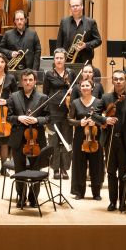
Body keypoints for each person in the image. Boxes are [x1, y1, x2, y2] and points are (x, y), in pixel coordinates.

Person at [6, 70, 49, 208]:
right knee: (19, 170)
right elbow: (8, 117)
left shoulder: (43, 97)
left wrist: (37, 120)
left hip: (36, 140)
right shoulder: (13, 96)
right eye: (25, 80)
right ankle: (21, 197)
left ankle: (33, 198)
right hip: (18, 139)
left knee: (36, 169)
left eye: (30, 80)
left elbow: (48, 117)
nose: (28, 82)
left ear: (35, 81)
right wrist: (19, 118)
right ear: (21, 81)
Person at [101, 71, 126, 212]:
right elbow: (95, 115)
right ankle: (112, 202)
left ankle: (122, 202)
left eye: (121, 79)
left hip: (125, 141)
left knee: (123, 173)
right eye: (116, 79)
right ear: (112, 81)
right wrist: (105, 119)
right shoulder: (105, 98)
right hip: (110, 140)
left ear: (125, 81)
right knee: (111, 173)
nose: (118, 81)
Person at [68, 78, 105, 200]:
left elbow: (103, 120)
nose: (85, 88)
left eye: (87, 85)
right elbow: (70, 120)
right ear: (80, 88)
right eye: (82, 86)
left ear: (92, 88)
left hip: (95, 137)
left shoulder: (99, 102)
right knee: (79, 164)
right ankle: (79, 192)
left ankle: (96, 192)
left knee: (96, 165)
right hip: (80, 137)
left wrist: (96, 122)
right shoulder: (75, 102)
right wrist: (80, 122)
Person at [42, 48, 73, 180]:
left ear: (65, 59)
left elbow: (75, 92)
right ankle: (55, 169)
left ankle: (64, 169)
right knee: (53, 140)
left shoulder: (71, 73)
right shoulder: (48, 74)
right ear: (54, 60)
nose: (59, 60)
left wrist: (72, 90)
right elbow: (45, 94)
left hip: (67, 110)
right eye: (57, 58)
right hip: (53, 110)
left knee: (67, 139)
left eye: (61, 58)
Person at [55, 0, 102, 65]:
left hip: (85, 59)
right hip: (67, 60)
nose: (75, 8)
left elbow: (98, 40)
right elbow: (59, 42)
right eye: (73, 6)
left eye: (77, 5)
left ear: (82, 6)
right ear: (70, 8)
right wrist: (58, 57)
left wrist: (86, 45)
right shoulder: (64, 22)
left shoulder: (91, 22)